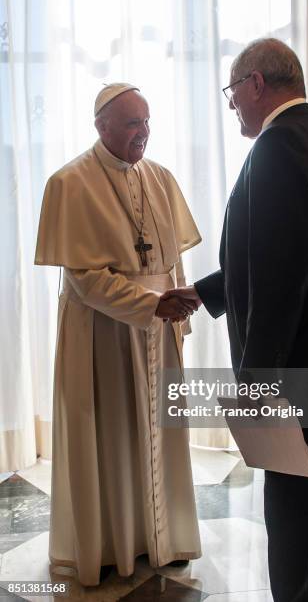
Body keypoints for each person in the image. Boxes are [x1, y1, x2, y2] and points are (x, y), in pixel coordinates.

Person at [162, 38, 308, 601]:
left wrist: (256, 389)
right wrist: (206, 290)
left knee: (300, 519)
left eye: (232, 92)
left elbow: (281, 275)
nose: (232, 104)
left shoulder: (278, 147)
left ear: (255, 85)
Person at [35, 83, 202, 586]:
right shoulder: (69, 183)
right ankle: (110, 548)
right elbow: (81, 279)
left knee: (161, 435)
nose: (143, 133)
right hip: (103, 334)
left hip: (158, 328)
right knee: (109, 435)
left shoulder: (161, 177)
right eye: (133, 123)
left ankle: (163, 538)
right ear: (101, 125)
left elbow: (171, 259)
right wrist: (151, 305)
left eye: (147, 122)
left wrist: (177, 314)